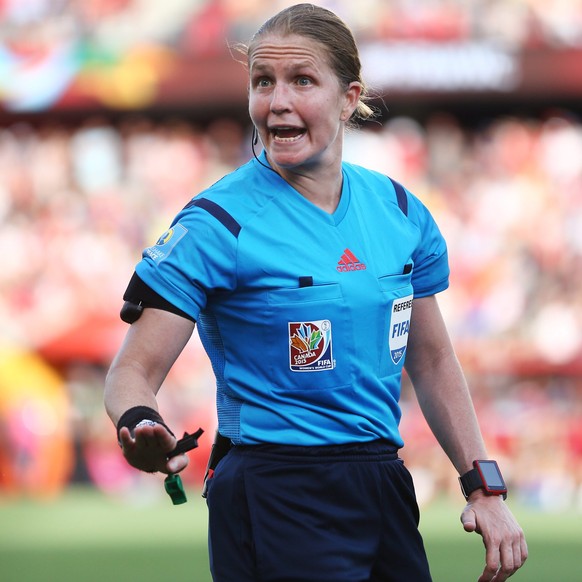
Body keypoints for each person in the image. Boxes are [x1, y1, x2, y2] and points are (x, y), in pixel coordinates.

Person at [104, 4, 527, 581]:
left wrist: (485, 487)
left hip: (383, 483)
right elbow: (132, 369)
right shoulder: (215, 223)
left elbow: (430, 359)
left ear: (349, 98)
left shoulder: (401, 211)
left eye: (301, 80)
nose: (277, 101)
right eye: (262, 82)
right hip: (274, 490)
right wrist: (138, 423)